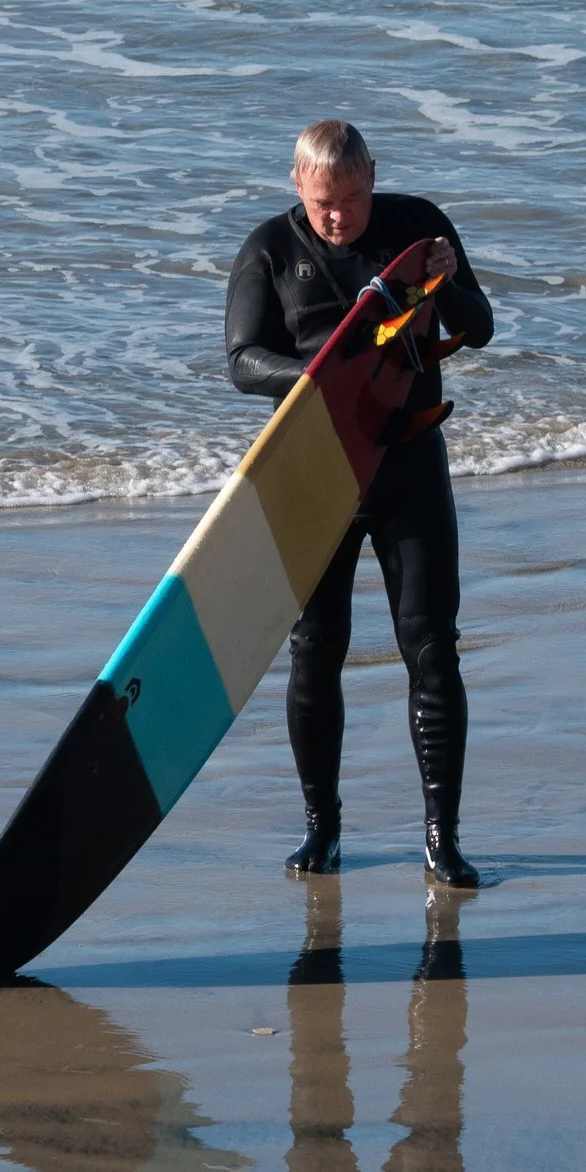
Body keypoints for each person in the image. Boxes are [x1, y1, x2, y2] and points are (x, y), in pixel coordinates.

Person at [224, 120, 495, 887]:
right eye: (322, 202)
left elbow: (481, 329)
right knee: (316, 650)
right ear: (296, 186)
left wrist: (450, 284)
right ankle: (323, 831)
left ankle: (443, 839)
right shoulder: (269, 250)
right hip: (315, 469)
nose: (339, 215)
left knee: (432, 647)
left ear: (373, 175)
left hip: (408, 459)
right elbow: (243, 362)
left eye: (351, 197)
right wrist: (328, 374)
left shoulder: (418, 228)